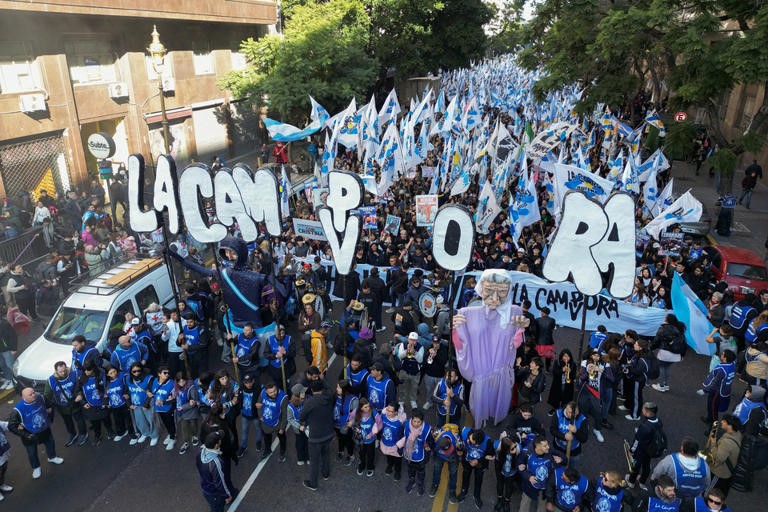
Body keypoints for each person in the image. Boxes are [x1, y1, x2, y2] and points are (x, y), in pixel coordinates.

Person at [7, 387, 64, 479]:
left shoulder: (40, 397)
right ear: (24, 397)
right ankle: (36, 467)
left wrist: (50, 419)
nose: (34, 395)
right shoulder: (17, 410)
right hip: (30, 435)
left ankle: (52, 457)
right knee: (32, 453)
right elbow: (11, 426)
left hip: (44, 430)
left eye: (33, 392)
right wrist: (26, 435)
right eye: (31, 394)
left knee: (50, 444)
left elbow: (50, 405)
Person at [299, 380, 335, 491]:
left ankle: (313, 483)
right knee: (326, 455)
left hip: (315, 436)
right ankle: (325, 474)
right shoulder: (329, 398)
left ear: (312, 390)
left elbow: (301, 417)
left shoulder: (310, 402)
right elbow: (330, 390)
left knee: (314, 461)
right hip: (328, 433)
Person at [44, 361, 87, 447]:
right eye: (60, 372)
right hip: (62, 406)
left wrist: (80, 394)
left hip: (75, 403)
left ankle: (83, 434)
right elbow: (47, 395)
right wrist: (48, 406)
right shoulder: (51, 380)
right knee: (67, 421)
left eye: (64, 370)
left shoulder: (74, 374)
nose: (63, 373)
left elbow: (81, 386)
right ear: (56, 371)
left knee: (79, 419)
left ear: (66, 367)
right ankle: (72, 434)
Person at [627, 402, 665, 489]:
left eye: (643, 409)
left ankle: (631, 481)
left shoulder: (645, 427)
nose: (642, 409)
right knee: (646, 465)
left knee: (636, 465)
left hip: (642, 450)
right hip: (651, 449)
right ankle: (642, 481)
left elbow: (637, 440)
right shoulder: (658, 420)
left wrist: (632, 450)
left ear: (647, 412)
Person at [518, 436, 562, 512]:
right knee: (525, 505)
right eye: (545, 446)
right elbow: (519, 466)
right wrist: (528, 477)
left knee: (541, 508)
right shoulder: (526, 452)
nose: (548, 447)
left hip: (544, 487)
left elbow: (558, 466)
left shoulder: (549, 452)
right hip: (529, 486)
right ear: (538, 447)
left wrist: (560, 461)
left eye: (547, 445)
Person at [196, 431, 235, 512]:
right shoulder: (216, 462)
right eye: (219, 439)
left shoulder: (200, 453)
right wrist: (227, 495)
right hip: (215, 494)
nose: (221, 440)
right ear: (217, 444)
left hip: (205, 488)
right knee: (217, 509)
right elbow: (220, 482)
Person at [705, 415, 742, 496]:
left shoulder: (727, 443)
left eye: (724, 421)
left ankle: (705, 502)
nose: (721, 422)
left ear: (730, 426)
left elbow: (718, 458)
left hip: (719, 472)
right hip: (726, 473)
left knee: (709, 490)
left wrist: (713, 444)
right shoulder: (737, 433)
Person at [458, 427, 495, 508]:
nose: (468, 441)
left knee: (478, 480)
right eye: (469, 438)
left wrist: (479, 461)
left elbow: (491, 455)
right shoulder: (465, 433)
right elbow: (459, 443)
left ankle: (477, 496)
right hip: (467, 461)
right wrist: (460, 449)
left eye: (471, 443)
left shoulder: (488, 442)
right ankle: (464, 492)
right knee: (465, 477)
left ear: (478, 444)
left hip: (480, 464)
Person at [399, 409, 432, 496]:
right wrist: (400, 447)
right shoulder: (406, 424)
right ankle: (412, 481)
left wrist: (427, 456)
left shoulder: (427, 429)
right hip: (408, 454)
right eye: (414, 421)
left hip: (420, 457)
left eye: (419, 422)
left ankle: (420, 484)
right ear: (411, 419)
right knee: (410, 470)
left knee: (421, 472)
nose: (416, 424)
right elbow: (403, 436)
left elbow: (431, 443)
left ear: (422, 421)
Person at [576, 349, 606, 443]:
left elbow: (611, 378)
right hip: (585, 390)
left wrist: (601, 371)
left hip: (596, 392)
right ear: (591, 356)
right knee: (583, 409)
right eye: (594, 355)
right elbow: (581, 377)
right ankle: (585, 426)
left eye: (598, 356)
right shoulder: (585, 362)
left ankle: (597, 429)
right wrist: (589, 371)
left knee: (598, 411)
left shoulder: (603, 364)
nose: (596, 358)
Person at [651, 314, 686, 393]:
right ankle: (666, 385)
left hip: (665, 353)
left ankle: (661, 385)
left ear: (666, 320)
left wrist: (650, 349)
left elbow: (656, 341)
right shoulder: (678, 328)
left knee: (662, 368)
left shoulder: (662, 329)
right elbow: (683, 342)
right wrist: (682, 355)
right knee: (667, 368)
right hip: (676, 354)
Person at [126, 362, 159, 446]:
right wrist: (129, 404)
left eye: (138, 370)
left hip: (146, 404)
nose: (136, 373)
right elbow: (126, 392)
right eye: (134, 371)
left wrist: (146, 404)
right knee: (139, 421)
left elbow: (151, 392)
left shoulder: (149, 378)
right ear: (131, 372)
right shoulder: (128, 379)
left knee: (151, 420)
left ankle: (154, 435)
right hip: (135, 405)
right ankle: (145, 433)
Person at [701, 350, 736, 424]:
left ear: (725, 358)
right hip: (724, 390)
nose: (721, 355)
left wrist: (705, 390)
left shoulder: (721, 369)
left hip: (716, 392)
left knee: (713, 410)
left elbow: (715, 383)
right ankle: (708, 419)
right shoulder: (732, 364)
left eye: (723, 354)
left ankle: (712, 429)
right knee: (713, 409)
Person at [550, 401, 589, 468]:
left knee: (571, 469)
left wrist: (576, 431)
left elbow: (584, 439)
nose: (573, 416)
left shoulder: (583, 420)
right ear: (566, 409)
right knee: (557, 465)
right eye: (570, 413)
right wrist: (564, 436)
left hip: (573, 451)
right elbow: (552, 430)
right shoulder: (558, 414)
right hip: (558, 448)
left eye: (576, 413)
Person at [430, 422, 462, 503]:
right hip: (439, 456)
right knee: (436, 470)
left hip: (453, 457)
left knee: (453, 473)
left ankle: (452, 490)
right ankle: (435, 485)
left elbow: (461, 453)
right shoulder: (436, 436)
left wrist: (459, 452)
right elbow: (430, 443)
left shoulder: (457, 440)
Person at [257, 381, 288, 462]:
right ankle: (267, 450)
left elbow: (285, 415)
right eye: (271, 392)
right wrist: (260, 416)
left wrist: (282, 428)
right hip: (266, 422)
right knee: (266, 438)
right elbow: (258, 404)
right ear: (266, 391)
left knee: (282, 439)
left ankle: (282, 453)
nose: (274, 393)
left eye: (275, 391)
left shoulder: (283, 397)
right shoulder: (263, 392)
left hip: (278, 424)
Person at [493, 432, 521, 512]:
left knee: (509, 487)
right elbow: (489, 450)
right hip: (500, 470)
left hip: (512, 472)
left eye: (515, 446)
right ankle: (500, 499)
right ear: (505, 449)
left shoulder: (519, 448)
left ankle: (506, 501)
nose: (515, 449)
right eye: (512, 449)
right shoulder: (497, 446)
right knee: (500, 485)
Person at [378, 401, 406, 481]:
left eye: (391, 411)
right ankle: (390, 465)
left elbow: (404, 435)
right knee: (388, 456)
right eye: (387, 410)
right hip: (385, 442)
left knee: (397, 460)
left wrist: (401, 446)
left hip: (396, 445)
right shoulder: (383, 415)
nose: (388, 413)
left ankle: (397, 471)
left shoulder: (401, 422)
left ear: (396, 412)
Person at [350, 397, 378, 476]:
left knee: (370, 454)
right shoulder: (356, 412)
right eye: (365, 407)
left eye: (368, 406)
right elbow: (351, 419)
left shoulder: (374, 412)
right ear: (360, 407)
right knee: (361, 454)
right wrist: (355, 428)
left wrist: (372, 434)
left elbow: (380, 424)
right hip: (360, 440)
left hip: (371, 440)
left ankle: (370, 467)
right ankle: (362, 465)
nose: (368, 408)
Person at [152, 365, 177, 451]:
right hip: (158, 408)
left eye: (168, 373)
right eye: (164, 373)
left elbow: (174, 399)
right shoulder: (155, 381)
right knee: (165, 423)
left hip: (168, 408)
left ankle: (173, 438)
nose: (167, 374)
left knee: (171, 423)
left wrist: (164, 402)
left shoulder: (172, 384)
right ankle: (170, 434)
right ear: (159, 374)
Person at [333, 380, 358, 465]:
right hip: (336, 423)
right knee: (340, 438)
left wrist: (351, 422)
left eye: (338, 388)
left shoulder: (353, 400)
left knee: (348, 441)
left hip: (345, 425)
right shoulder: (335, 396)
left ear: (344, 390)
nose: (336, 389)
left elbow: (355, 414)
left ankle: (350, 454)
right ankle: (341, 451)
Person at [397, 332, 424, 410]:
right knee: (402, 387)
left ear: (417, 340)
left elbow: (420, 360)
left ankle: (413, 400)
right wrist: (407, 351)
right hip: (404, 370)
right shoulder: (403, 345)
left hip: (415, 372)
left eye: (414, 340)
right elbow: (400, 356)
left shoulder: (420, 347)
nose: (412, 342)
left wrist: (414, 353)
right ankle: (401, 401)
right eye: (411, 340)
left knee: (414, 388)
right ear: (408, 339)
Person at [175, 372, 200, 455]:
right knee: (184, 427)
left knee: (193, 425)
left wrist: (183, 407)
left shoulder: (191, 387)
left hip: (190, 411)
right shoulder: (177, 387)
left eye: (183, 381)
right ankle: (186, 442)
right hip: (182, 412)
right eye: (179, 382)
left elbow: (194, 401)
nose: (181, 383)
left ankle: (194, 436)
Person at [265, 325, 296, 392]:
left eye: (283, 333)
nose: (282, 335)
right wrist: (275, 355)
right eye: (280, 333)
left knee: (287, 386)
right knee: (276, 385)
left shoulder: (289, 339)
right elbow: (266, 354)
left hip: (286, 367)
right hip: (274, 368)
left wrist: (285, 352)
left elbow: (293, 353)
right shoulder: (270, 340)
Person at [547, 349, 576, 417]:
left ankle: (564, 410)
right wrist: (562, 370)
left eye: (568, 357)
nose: (566, 358)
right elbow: (554, 373)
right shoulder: (557, 363)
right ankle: (555, 409)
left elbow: (573, 376)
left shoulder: (573, 364)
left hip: (568, 385)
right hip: (558, 384)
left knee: (566, 398)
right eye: (565, 356)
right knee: (556, 397)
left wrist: (570, 372)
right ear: (561, 356)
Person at [287, 383, 309, 466]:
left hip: (307, 427)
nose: (304, 393)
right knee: (299, 445)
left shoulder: (307, 401)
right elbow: (290, 419)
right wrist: (299, 426)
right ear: (297, 394)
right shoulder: (290, 406)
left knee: (307, 443)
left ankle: (308, 457)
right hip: (298, 430)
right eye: (302, 392)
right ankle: (301, 458)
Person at [534, 307, 556, 372]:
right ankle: (547, 370)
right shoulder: (552, 320)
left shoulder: (537, 320)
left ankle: (537, 369)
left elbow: (535, 330)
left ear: (542, 312)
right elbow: (552, 328)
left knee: (538, 357)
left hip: (539, 342)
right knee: (548, 357)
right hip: (548, 342)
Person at [0, 311, 18, 390]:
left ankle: (14, 381)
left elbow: (13, 336)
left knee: (10, 365)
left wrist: (14, 349)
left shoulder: (5, 324)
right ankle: (8, 379)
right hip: (1, 350)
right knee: (3, 365)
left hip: (7, 349)